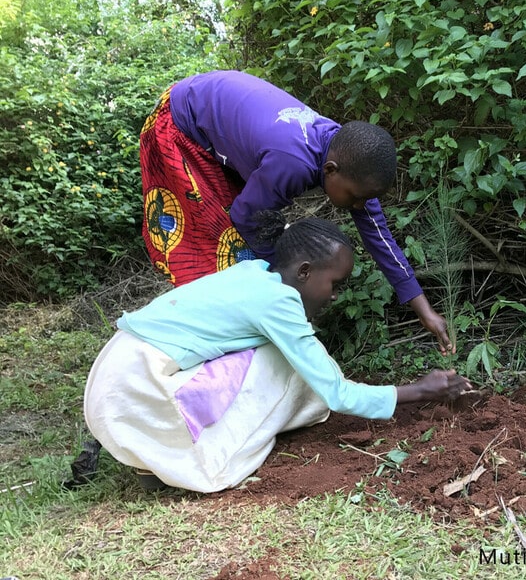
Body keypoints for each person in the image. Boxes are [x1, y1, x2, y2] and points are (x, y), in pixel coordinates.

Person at [83, 215, 471, 493]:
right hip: (134, 387)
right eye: (334, 284)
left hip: (117, 377)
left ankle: (156, 456)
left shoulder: (255, 275)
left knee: (284, 354)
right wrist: (421, 390)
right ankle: (191, 459)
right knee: (285, 361)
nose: (335, 296)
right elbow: (337, 393)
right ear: (304, 272)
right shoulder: (278, 302)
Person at [139, 69, 454, 355]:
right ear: (330, 170)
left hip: (212, 121)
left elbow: (379, 238)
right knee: (221, 253)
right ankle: (199, 350)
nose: (360, 206)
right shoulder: (293, 164)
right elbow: (247, 217)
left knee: (248, 253)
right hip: (179, 126)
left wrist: (424, 310)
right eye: (357, 198)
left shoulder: (349, 160)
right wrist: (283, 278)